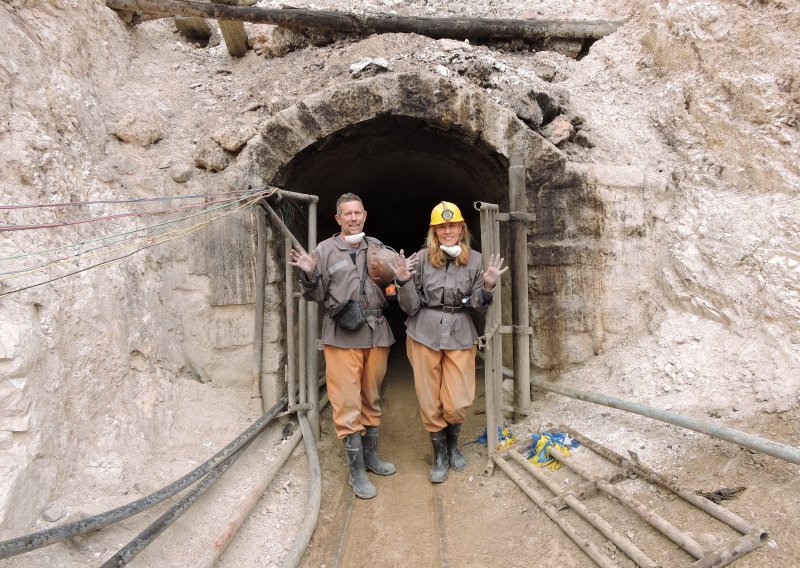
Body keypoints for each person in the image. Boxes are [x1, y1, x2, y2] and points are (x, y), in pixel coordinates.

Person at [289, 193, 396, 499]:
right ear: (338, 219)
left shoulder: (377, 247)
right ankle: (357, 470)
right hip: (342, 334)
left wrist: (398, 278)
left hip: (376, 333)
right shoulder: (324, 250)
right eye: (346, 214)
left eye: (357, 213)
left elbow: (392, 289)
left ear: (365, 215)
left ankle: (371, 456)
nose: (353, 218)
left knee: (371, 396)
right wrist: (309, 273)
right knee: (347, 401)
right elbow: (314, 295)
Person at [392, 201, 507, 483]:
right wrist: (403, 282)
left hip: (460, 332)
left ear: (461, 228)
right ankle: (441, 455)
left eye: (452, 225)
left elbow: (479, 305)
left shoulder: (477, 260)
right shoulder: (420, 259)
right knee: (430, 399)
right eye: (441, 227)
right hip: (423, 332)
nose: (447, 231)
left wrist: (489, 286)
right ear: (434, 231)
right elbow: (410, 307)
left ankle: (453, 443)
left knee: (458, 400)